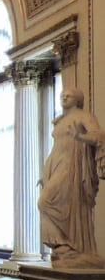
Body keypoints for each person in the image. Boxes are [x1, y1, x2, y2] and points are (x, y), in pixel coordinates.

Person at [39, 87, 105, 267]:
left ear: (77, 100)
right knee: (47, 203)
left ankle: (69, 247)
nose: (64, 97)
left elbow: (98, 135)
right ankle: (64, 248)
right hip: (57, 165)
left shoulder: (83, 116)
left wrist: (81, 137)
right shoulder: (61, 120)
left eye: (69, 95)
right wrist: (45, 173)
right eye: (62, 95)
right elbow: (55, 148)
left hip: (72, 168)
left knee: (45, 202)